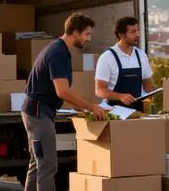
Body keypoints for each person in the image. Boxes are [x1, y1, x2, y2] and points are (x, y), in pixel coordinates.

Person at [22, 12, 108, 191]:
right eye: (87, 34)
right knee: (48, 164)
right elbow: (62, 91)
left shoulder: (62, 51)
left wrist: (82, 107)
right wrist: (92, 107)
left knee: (37, 164)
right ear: (75, 32)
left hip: (40, 111)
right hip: (38, 112)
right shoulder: (58, 53)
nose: (89, 39)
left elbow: (64, 91)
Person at [95, 16, 157, 112]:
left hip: (138, 111)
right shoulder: (107, 57)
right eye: (133, 32)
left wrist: (163, 92)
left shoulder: (141, 55)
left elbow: (148, 85)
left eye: (137, 30)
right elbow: (100, 90)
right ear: (121, 35)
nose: (137, 35)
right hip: (114, 111)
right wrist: (120, 96)